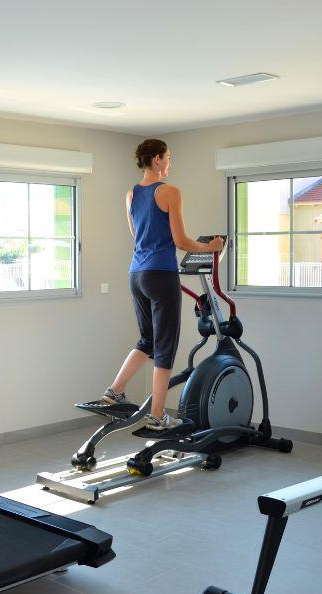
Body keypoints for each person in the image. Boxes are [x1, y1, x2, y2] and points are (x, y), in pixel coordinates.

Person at [101, 139, 224, 431]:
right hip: (161, 274)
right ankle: (157, 416)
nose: (169, 164)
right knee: (165, 346)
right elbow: (181, 242)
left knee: (148, 340)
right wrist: (213, 246)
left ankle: (114, 391)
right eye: (167, 158)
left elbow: (136, 233)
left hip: (137, 274)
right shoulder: (170, 192)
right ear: (156, 160)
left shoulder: (131, 193)